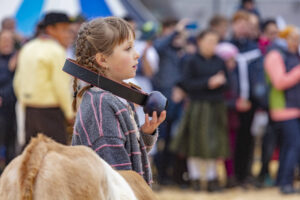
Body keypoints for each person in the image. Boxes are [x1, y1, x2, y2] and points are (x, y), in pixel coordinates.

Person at [71, 16, 166, 185]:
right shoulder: (101, 105)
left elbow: (128, 154)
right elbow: (118, 176)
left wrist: (145, 133)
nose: (136, 54)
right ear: (103, 60)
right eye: (128, 48)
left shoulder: (116, 98)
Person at [171, 30, 229, 192]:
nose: (212, 45)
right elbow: (186, 84)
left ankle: (212, 179)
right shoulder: (192, 61)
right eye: (209, 41)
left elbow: (230, 82)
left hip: (216, 106)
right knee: (195, 144)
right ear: (200, 41)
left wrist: (220, 82)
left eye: (215, 42)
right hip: (198, 106)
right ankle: (195, 178)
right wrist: (208, 83)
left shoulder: (220, 61)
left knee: (214, 144)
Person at [13, 12, 74, 146]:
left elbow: (18, 81)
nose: (68, 34)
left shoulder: (28, 47)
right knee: (56, 156)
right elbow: (61, 86)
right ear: (50, 29)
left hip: (29, 110)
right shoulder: (56, 51)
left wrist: (25, 101)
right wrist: (70, 113)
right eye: (64, 30)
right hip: (50, 112)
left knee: (32, 155)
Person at [264, 26, 300, 194]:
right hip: (283, 108)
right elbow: (279, 82)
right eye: (293, 38)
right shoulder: (275, 55)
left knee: (288, 146)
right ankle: (286, 183)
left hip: (296, 107)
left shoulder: (295, 55)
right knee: (294, 144)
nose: (296, 42)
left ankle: (282, 180)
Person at [0, 30, 17, 172]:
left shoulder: (16, 58)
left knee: (13, 143)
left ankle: (10, 173)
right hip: (1, 110)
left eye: (9, 40)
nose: (7, 43)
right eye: (4, 40)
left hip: (15, 108)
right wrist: (9, 69)